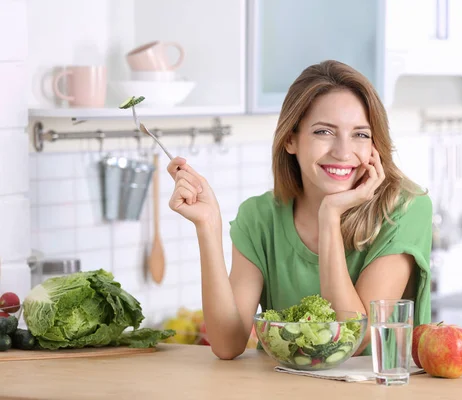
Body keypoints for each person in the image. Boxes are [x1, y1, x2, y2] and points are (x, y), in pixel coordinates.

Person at [167, 60, 432, 360]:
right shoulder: (260, 217)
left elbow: (354, 339)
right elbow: (228, 344)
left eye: (360, 134)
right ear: (291, 139)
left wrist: (330, 216)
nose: (343, 152)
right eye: (324, 132)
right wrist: (208, 226)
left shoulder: (405, 209)